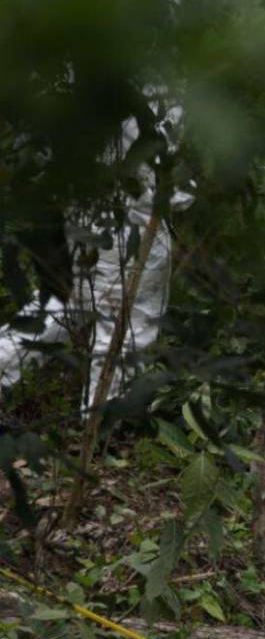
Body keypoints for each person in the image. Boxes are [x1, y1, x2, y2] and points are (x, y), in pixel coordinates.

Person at [0, 96, 188, 410]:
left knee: (70, 300)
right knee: (128, 320)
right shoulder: (157, 68)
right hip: (131, 207)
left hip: (85, 196)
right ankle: (103, 423)